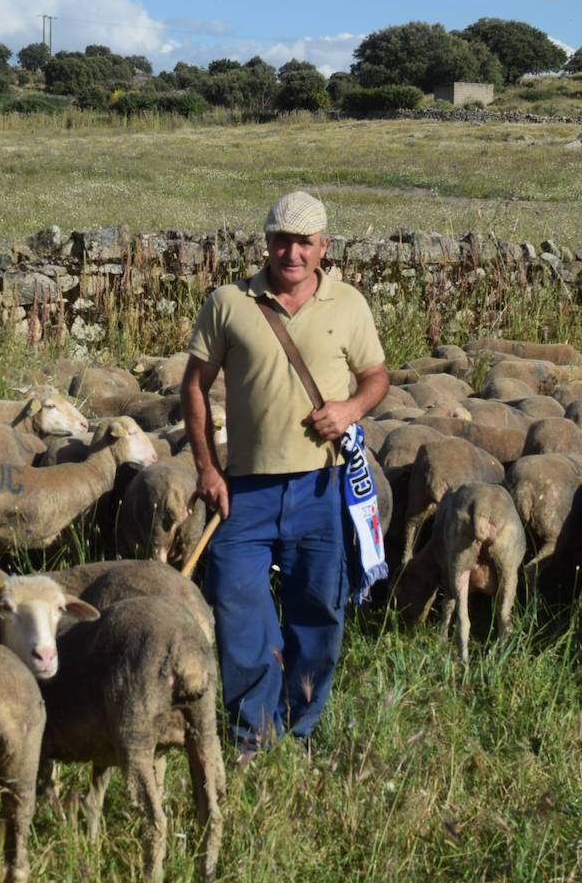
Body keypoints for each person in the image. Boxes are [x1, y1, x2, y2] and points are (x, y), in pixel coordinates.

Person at [182, 190, 389, 754]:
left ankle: (296, 729)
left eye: (304, 242)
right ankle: (253, 735)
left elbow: (376, 377)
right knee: (237, 606)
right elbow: (194, 385)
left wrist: (349, 409)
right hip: (244, 490)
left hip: (322, 488)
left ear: (324, 246)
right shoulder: (229, 301)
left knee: (320, 611)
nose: (291, 252)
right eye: (281, 240)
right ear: (265, 243)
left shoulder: (349, 305)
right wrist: (207, 467)